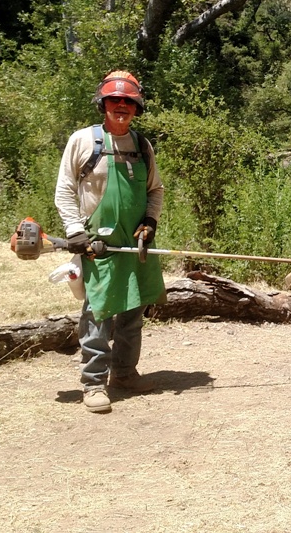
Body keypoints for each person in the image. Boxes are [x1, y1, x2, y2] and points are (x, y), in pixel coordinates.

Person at [55, 70, 166, 413]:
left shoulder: (142, 146)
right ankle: (92, 384)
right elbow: (65, 190)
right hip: (96, 245)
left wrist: (149, 222)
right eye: (114, 100)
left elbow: (155, 191)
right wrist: (75, 230)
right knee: (98, 313)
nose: (121, 106)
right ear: (103, 104)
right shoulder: (83, 141)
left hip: (133, 245)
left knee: (133, 310)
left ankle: (125, 374)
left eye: (128, 102)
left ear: (136, 108)